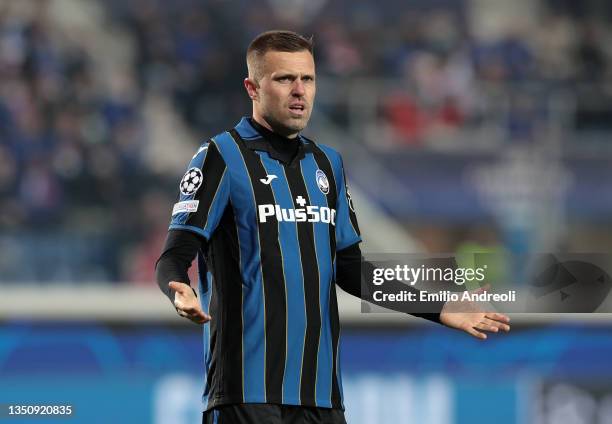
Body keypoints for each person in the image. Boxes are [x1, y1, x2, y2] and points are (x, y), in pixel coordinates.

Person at [155, 30, 511, 424]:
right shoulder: (220, 157)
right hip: (245, 395)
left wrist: (440, 306)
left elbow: (352, 270)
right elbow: (174, 256)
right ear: (252, 88)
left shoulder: (328, 165)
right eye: (284, 79)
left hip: (322, 401)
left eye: (307, 79)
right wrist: (179, 291)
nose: (299, 91)